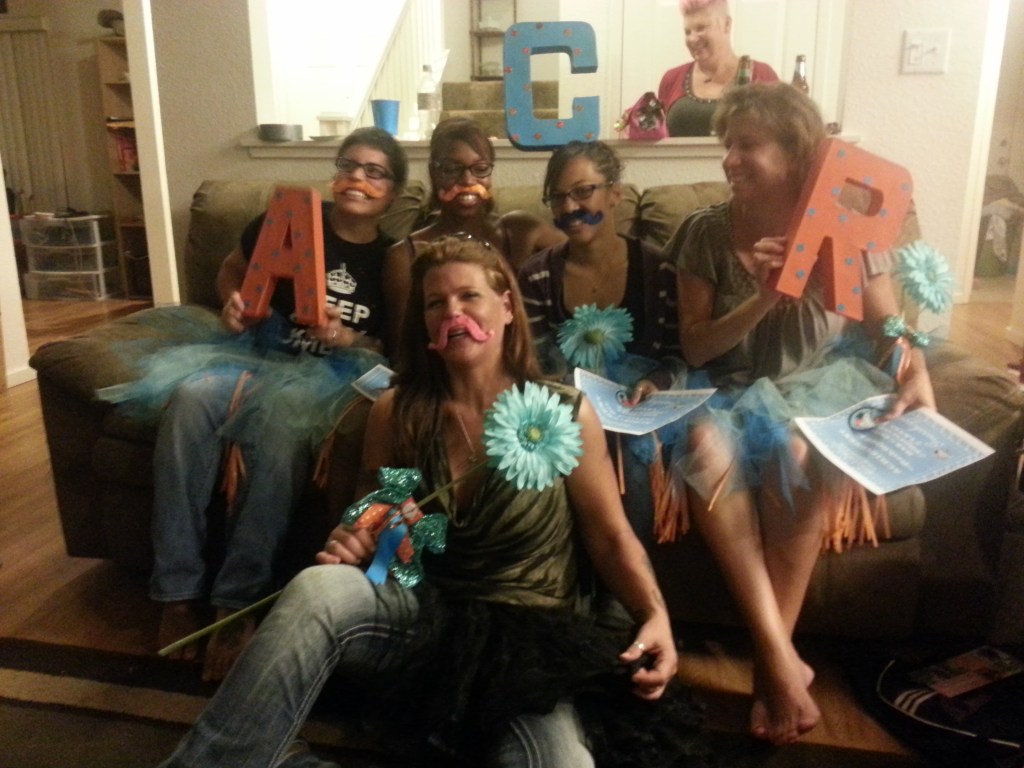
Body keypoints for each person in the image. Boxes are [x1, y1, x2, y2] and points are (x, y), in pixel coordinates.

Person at [155, 236, 709, 768]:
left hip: (528, 648)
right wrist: (365, 538)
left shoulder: (565, 412)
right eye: (435, 303)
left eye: (469, 296)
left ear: (507, 308)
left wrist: (654, 615)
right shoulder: (398, 412)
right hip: (423, 620)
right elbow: (382, 539)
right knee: (319, 588)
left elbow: (609, 537)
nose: (453, 313)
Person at [665, 83, 935, 745]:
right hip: (729, 387)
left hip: (820, 384)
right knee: (703, 447)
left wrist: (916, 368)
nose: (730, 159)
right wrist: (763, 297)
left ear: (795, 153)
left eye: (747, 145)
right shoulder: (703, 231)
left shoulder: (845, 223)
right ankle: (783, 661)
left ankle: (771, 666)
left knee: (795, 450)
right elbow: (695, 347)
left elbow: (887, 323)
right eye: (727, 144)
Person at [151, 127, 410, 681]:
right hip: (258, 357)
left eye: (375, 172)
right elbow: (231, 271)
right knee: (189, 400)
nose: (358, 178)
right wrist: (232, 301)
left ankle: (236, 604)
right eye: (349, 165)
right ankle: (176, 593)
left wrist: (349, 338)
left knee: (280, 429)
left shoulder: (390, 257)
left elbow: (394, 346)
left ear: (393, 193)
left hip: (332, 376)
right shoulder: (291, 222)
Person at [518, 139, 684, 541]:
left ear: (614, 194)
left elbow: (676, 354)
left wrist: (654, 382)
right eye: (558, 197)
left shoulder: (658, 269)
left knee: (631, 460)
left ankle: (629, 574)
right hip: (564, 407)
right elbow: (531, 363)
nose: (570, 207)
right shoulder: (538, 276)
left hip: (640, 412)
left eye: (583, 191)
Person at [387, 117, 564, 282]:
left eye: (480, 169)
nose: (468, 180)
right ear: (433, 173)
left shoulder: (520, 231)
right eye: (451, 169)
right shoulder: (406, 255)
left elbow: (579, 254)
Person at [657, 0, 778, 137]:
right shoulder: (672, 79)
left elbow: (777, 138)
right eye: (687, 32)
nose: (692, 39)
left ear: (727, 25)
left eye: (701, 28)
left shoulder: (762, 75)